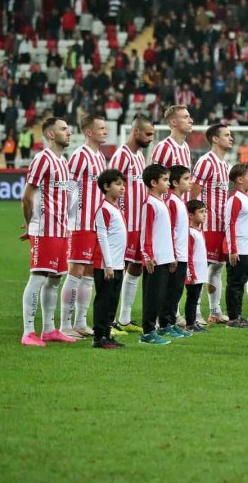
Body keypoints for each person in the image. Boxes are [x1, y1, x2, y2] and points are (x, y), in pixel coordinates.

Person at [20, 118, 75, 347]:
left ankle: (49, 330)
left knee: (55, 279)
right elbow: (27, 195)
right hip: (44, 229)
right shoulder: (42, 159)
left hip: (61, 230)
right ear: (51, 135)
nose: (69, 132)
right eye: (63, 129)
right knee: (38, 277)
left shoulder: (63, 161)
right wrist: (31, 224)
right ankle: (28, 332)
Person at [61, 115, 109, 340]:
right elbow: (68, 188)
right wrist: (68, 217)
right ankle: (64, 324)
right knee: (76, 271)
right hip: (80, 223)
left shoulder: (99, 156)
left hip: (96, 224)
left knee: (89, 273)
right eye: (101, 128)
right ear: (89, 132)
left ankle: (80, 322)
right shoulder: (80, 155)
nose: (105, 131)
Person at [111, 116, 155, 334]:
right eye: (147, 134)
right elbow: (109, 185)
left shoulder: (139, 156)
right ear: (135, 131)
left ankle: (125, 318)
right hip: (123, 224)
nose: (150, 138)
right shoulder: (122, 155)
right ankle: (110, 320)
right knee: (118, 269)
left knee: (136, 267)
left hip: (139, 223)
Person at [190, 123, 233, 325]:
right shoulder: (206, 162)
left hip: (221, 226)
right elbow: (193, 192)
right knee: (201, 267)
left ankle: (215, 311)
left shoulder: (224, 165)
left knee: (216, 268)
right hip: (206, 227)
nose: (230, 138)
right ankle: (195, 312)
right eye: (226, 135)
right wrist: (194, 222)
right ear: (215, 139)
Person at [139, 164, 175, 346]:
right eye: (165, 180)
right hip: (155, 258)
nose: (168, 184)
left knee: (160, 296)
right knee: (152, 296)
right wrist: (147, 255)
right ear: (153, 182)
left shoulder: (161, 202)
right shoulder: (149, 204)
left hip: (164, 257)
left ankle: (154, 329)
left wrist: (171, 256)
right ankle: (147, 332)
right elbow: (146, 231)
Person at [92, 169, 127, 350]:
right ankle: (99, 336)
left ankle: (107, 333)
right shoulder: (104, 209)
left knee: (113, 300)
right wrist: (108, 264)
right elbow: (102, 237)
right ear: (106, 187)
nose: (122, 188)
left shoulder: (116, 208)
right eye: (118, 184)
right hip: (107, 264)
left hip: (117, 264)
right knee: (104, 300)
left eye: (123, 184)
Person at [161, 165, 193, 339]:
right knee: (171, 291)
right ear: (175, 182)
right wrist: (172, 254)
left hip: (182, 253)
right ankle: (164, 324)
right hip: (175, 255)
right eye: (186, 179)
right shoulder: (171, 201)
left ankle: (171, 323)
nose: (190, 182)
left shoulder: (179, 201)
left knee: (176, 291)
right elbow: (170, 229)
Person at [185, 200, 209, 333]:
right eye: (200, 212)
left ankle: (193, 322)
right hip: (193, 271)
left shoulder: (199, 231)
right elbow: (189, 254)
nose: (204, 215)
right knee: (192, 297)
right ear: (190, 215)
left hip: (200, 271)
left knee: (196, 296)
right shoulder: (190, 232)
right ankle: (189, 323)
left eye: (205, 211)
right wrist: (191, 272)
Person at [149, 104, 193, 171]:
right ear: (173, 122)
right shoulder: (164, 147)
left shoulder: (186, 147)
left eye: (189, 117)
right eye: (185, 117)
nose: (191, 121)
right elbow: (153, 177)